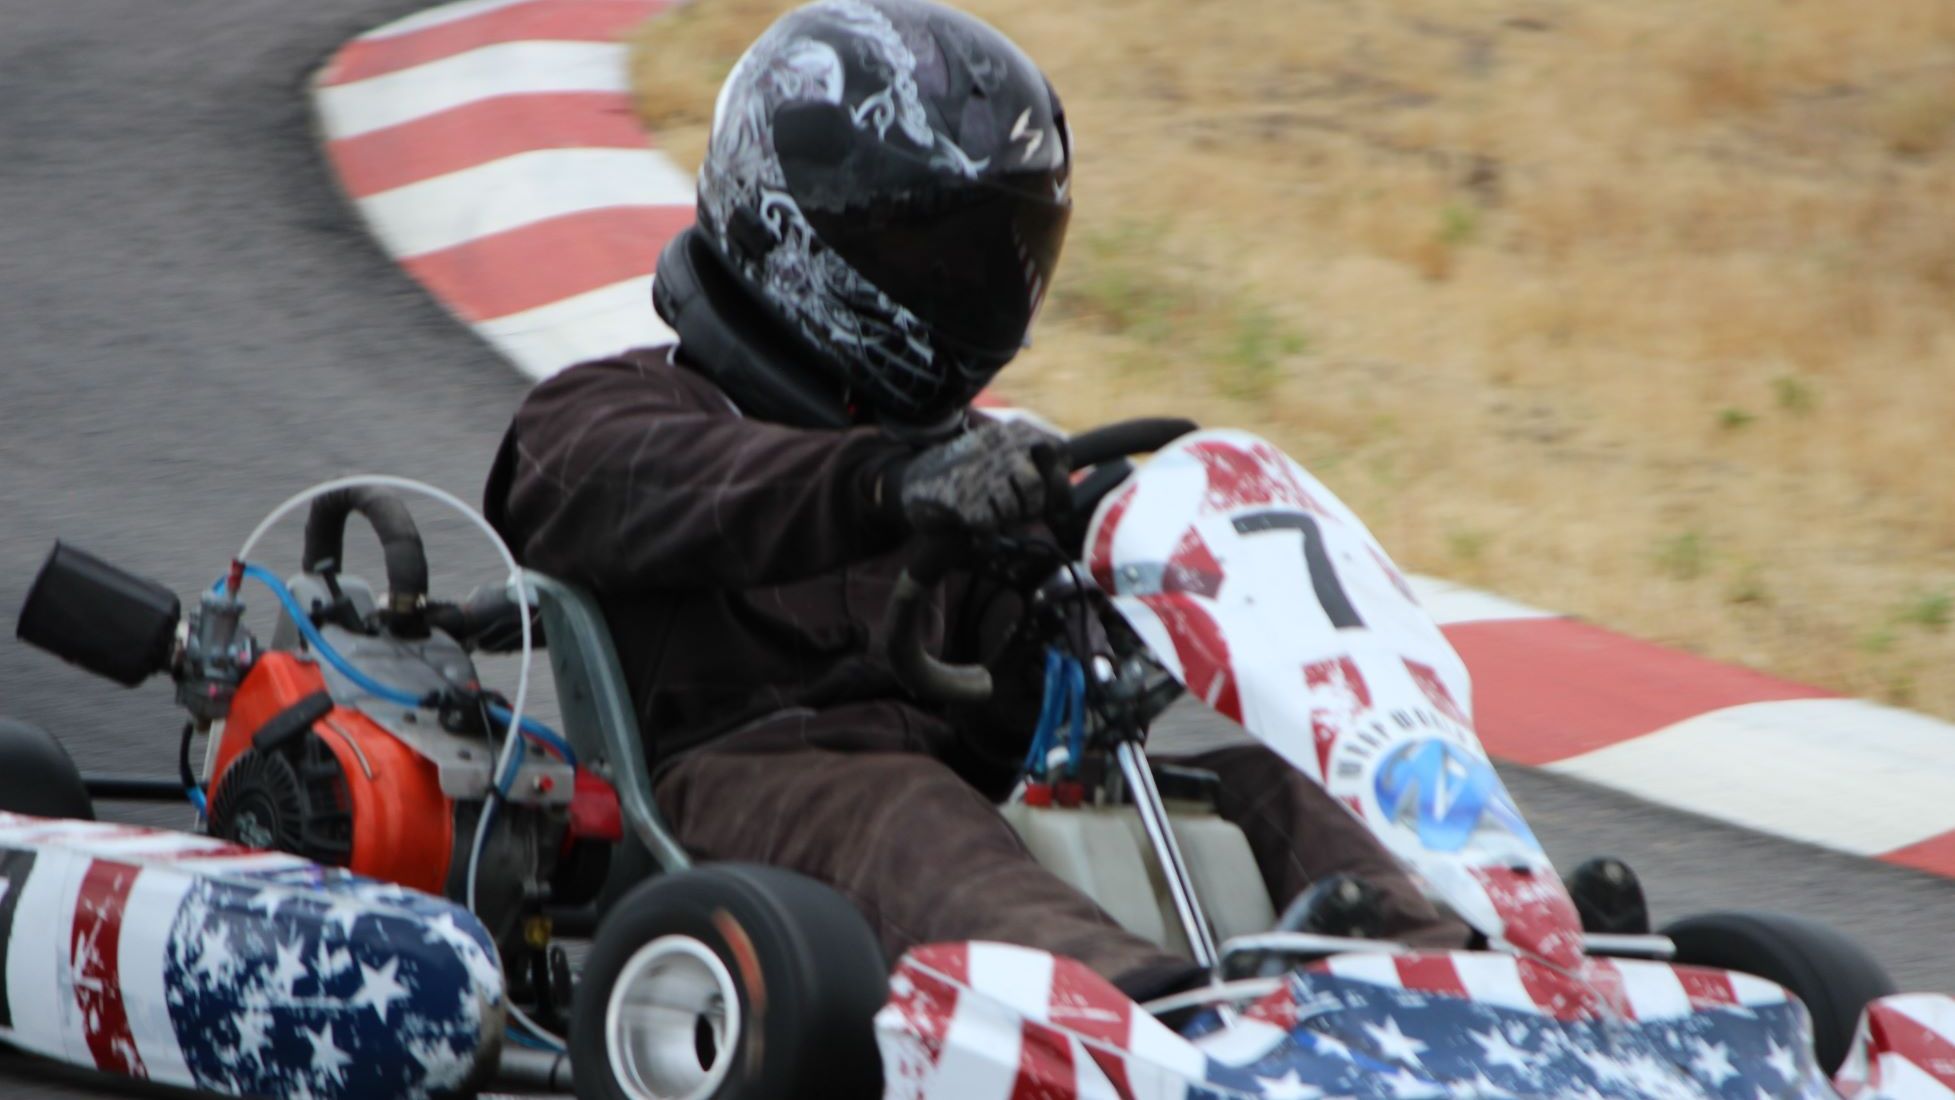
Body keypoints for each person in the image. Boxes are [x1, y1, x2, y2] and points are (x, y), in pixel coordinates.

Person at [484, 0, 1462, 1002]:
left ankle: (1455, 980)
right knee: (905, 810)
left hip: (959, 819)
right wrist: (888, 485)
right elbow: (674, 485)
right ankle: (1156, 1021)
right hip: (740, 802)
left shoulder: (969, 465)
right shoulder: (607, 412)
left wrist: (1090, 597)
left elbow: (1010, 729)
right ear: (796, 224)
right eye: (937, 255)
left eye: (998, 255)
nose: (975, 286)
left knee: (1267, 788)